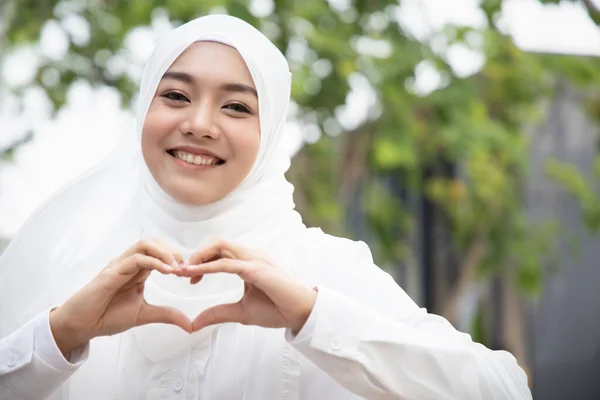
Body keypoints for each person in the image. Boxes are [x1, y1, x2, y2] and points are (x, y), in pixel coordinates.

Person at [0, 14, 532, 400]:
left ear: (270, 133)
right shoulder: (80, 274)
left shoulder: (320, 269)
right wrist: (60, 336)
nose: (200, 124)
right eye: (176, 96)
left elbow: (502, 390)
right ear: (144, 110)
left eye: (236, 106)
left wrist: (312, 318)